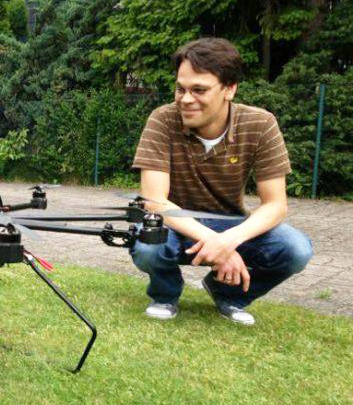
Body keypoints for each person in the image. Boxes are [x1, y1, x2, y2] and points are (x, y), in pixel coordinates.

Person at [129, 37, 313, 325]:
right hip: (174, 223)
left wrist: (229, 241)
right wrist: (215, 243)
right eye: (181, 89)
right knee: (146, 242)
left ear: (230, 88)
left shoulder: (260, 124)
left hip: (230, 223)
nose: (186, 99)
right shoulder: (162, 120)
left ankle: (228, 294)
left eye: (199, 90)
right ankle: (165, 294)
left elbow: (276, 205)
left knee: (296, 249)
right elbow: (154, 202)